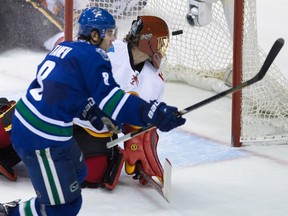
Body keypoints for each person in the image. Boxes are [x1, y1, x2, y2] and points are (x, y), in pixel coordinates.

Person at [0, 7, 185, 216]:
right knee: (64, 207)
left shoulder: (68, 47)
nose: (113, 39)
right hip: (44, 132)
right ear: (95, 35)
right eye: (109, 34)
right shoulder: (98, 56)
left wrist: (90, 111)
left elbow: (64, 87)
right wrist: (153, 112)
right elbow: (114, 102)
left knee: (82, 171)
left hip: (47, 120)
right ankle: (13, 212)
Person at [73, 15, 170, 190]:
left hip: (96, 130)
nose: (163, 48)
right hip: (65, 112)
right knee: (9, 139)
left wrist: (139, 141)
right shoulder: (111, 51)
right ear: (148, 42)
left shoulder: (154, 80)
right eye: (161, 42)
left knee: (93, 174)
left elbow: (143, 122)